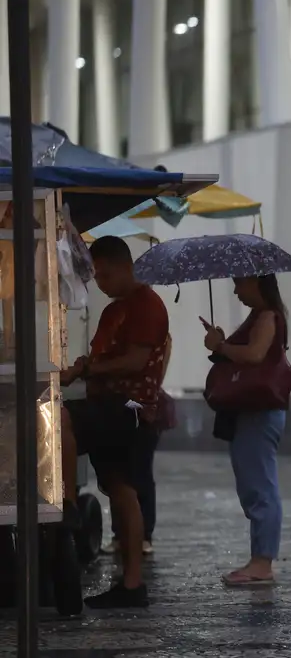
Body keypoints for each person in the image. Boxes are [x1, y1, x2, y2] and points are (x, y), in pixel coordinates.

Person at [59, 236, 168, 608]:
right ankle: (131, 585)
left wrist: (87, 369)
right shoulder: (111, 311)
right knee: (120, 491)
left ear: (124, 267)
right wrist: (83, 367)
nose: (100, 284)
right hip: (105, 402)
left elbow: (135, 361)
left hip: (127, 409)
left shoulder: (147, 305)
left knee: (58, 419)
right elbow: (103, 356)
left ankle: (68, 503)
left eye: (104, 275)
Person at [204, 275, 290, 585]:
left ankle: (262, 562)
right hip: (251, 412)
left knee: (260, 485)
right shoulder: (258, 317)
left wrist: (222, 346)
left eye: (241, 283)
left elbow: (254, 355)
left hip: (259, 411)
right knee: (253, 483)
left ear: (258, 282)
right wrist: (221, 343)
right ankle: (259, 559)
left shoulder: (267, 317)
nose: (237, 290)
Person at [101, 334, 169, 557]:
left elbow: (154, 371)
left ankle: (141, 535)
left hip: (142, 408)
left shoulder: (156, 334)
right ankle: (122, 535)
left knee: (139, 473)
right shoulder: (119, 329)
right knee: (119, 474)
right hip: (120, 405)